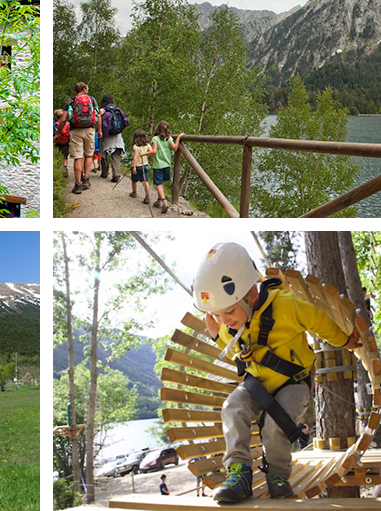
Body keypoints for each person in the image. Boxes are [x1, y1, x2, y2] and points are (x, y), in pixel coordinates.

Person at [191, 242, 361, 503]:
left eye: (229, 311)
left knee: (276, 423)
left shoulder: (287, 305)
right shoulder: (233, 322)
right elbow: (231, 342)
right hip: (257, 383)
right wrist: (216, 335)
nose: (224, 320)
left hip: (293, 382)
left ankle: (278, 476)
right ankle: (239, 473)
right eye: (217, 315)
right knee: (232, 408)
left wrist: (343, 340)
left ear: (250, 293)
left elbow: (318, 321)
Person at [65, 82, 101, 194]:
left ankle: (78, 185)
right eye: (87, 89)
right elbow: (98, 116)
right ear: (84, 89)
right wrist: (99, 130)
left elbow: (63, 119)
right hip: (90, 130)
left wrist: (57, 134)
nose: (88, 90)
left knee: (77, 157)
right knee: (88, 155)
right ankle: (86, 179)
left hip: (75, 130)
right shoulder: (92, 100)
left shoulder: (70, 101)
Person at [149, 120, 183, 213]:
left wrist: (145, 154)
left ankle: (164, 201)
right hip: (167, 164)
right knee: (162, 182)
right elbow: (175, 148)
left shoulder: (155, 139)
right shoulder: (169, 139)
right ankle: (159, 201)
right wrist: (179, 137)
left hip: (158, 165)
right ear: (167, 129)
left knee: (158, 184)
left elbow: (154, 151)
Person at [99, 94, 128, 182]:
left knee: (104, 155)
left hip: (106, 136)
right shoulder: (117, 110)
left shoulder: (102, 111)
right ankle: (116, 174)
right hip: (118, 137)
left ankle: (104, 173)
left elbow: (98, 122)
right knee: (116, 157)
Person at [130, 129, 152, 204]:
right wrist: (152, 160)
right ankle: (147, 195)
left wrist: (134, 166)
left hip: (138, 166)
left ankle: (134, 192)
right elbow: (151, 152)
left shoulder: (135, 146)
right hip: (145, 166)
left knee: (134, 180)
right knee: (145, 181)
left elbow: (136, 156)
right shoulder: (148, 145)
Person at [53, 109, 70, 176]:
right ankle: (65, 168)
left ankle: (59, 170)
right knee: (65, 157)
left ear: (56, 117)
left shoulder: (54, 125)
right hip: (66, 143)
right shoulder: (68, 124)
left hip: (57, 143)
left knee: (57, 156)